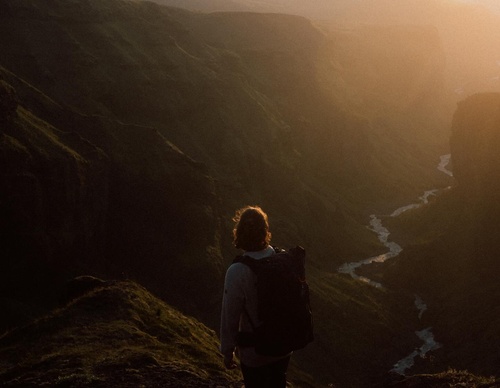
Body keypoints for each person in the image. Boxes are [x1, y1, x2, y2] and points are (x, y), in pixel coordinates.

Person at [220, 206, 291, 388]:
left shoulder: (237, 271)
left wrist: (228, 351)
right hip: (282, 346)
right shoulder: (280, 259)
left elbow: (230, 316)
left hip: (254, 352)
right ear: (265, 231)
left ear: (239, 233)